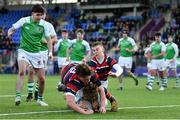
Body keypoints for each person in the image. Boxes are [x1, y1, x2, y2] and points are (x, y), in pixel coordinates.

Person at [8, 4, 53, 106]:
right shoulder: (24, 21)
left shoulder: (44, 24)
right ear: (32, 14)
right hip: (24, 51)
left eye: (41, 15)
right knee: (22, 72)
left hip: (37, 53)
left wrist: (50, 52)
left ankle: (40, 99)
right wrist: (9, 32)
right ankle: (18, 95)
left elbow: (49, 39)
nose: (40, 17)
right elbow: (13, 28)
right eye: (38, 15)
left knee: (42, 79)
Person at [26, 11, 57, 102]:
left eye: (43, 14)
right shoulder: (32, 24)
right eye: (39, 14)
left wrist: (46, 41)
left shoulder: (49, 25)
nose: (41, 16)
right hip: (33, 51)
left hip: (43, 53)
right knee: (31, 71)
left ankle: (36, 92)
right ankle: (30, 93)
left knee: (41, 75)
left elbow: (55, 39)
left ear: (45, 15)